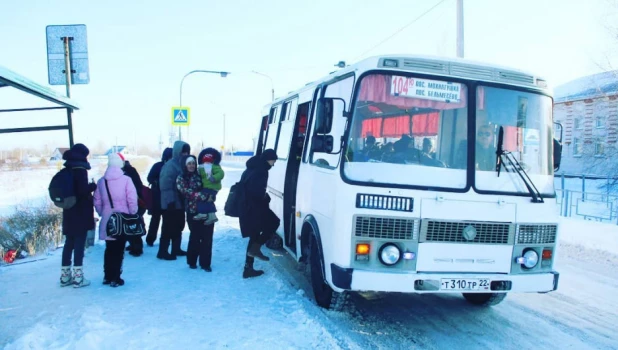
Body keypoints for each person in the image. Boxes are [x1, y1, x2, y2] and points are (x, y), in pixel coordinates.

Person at [93, 152, 138, 287]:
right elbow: (132, 198)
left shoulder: (102, 181)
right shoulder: (126, 180)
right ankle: (116, 278)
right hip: (122, 219)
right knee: (119, 250)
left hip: (108, 220)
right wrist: (132, 213)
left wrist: (103, 213)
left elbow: (97, 200)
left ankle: (107, 276)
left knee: (109, 249)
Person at [59, 143, 97, 288]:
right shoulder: (80, 169)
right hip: (80, 211)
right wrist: (92, 187)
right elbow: (82, 191)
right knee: (79, 243)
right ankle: (78, 278)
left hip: (69, 210)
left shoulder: (68, 167)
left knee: (69, 243)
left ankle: (65, 277)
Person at [239, 148, 281, 279]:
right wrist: (265, 197)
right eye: (273, 161)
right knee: (274, 222)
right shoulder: (261, 171)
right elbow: (256, 193)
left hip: (247, 207)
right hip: (254, 208)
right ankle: (256, 249)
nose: (273, 164)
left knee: (254, 235)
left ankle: (248, 268)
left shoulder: (252, 167)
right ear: (268, 159)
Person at [176, 154, 215, 271]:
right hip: (193, 211)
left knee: (207, 237)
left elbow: (210, 186)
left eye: (193, 163)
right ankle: (192, 261)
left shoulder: (200, 175)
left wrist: (212, 195)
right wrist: (203, 196)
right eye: (189, 163)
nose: (192, 165)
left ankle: (205, 263)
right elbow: (186, 192)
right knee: (195, 237)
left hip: (207, 210)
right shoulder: (181, 178)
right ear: (185, 165)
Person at [158, 140, 190, 260]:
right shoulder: (171, 165)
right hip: (170, 203)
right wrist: (170, 201)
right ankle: (163, 251)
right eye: (183, 152)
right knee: (167, 227)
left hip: (180, 203)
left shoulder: (183, 164)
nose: (185, 154)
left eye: (187, 152)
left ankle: (176, 249)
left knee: (179, 226)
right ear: (178, 152)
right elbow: (165, 185)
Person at [145, 147, 173, 247]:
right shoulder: (158, 166)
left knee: (166, 220)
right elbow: (149, 178)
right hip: (157, 196)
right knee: (155, 219)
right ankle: (150, 239)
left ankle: (165, 239)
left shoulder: (173, 166)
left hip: (167, 197)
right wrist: (157, 182)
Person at [121, 156, 146, 257]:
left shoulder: (127, 172)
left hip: (134, 201)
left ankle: (137, 248)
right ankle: (134, 245)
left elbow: (136, 186)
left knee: (133, 223)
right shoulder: (131, 170)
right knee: (132, 223)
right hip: (135, 200)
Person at [194, 148, 224, 224]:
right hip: (206, 186)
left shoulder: (214, 166)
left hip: (212, 187)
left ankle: (203, 213)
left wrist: (214, 178)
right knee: (208, 200)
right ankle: (211, 216)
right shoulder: (201, 167)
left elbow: (221, 173)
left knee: (204, 199)